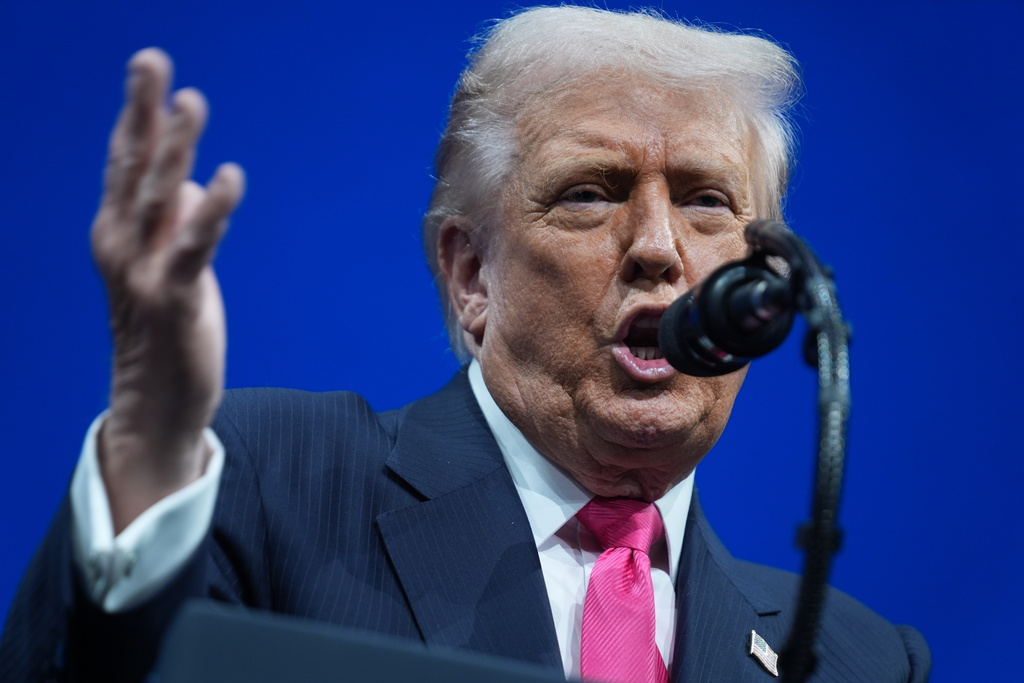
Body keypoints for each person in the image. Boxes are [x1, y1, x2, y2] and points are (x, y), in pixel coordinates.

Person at [0, 6, 930, 682]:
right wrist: (151, 448)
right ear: (470, 274)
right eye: (591, 192)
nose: (657, 246)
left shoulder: (858, 657)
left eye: (706, 200)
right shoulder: (268, 488)